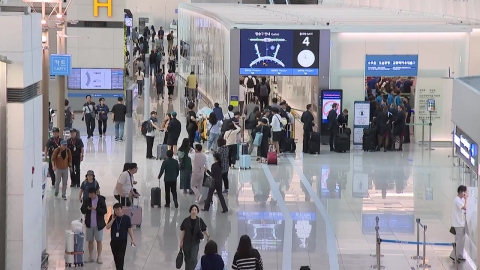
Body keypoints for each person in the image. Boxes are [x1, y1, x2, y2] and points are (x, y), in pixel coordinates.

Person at [80, 187, 107, 264]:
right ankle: (90, 256)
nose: (91, 196)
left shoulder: (101, 200)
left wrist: (96, 209)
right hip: (89, 224)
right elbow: (82, 210)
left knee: (99, 241)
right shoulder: (87, 200)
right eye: (89, 195)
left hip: (99, 224)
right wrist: (87, 209)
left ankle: (99, 257)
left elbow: (104, 211)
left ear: (96, 193)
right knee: (90, 241)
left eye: (92, 195)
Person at [106, 203, 136, 270]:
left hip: (122, 241)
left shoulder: (126, 218)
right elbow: (107, 227)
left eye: (118, 210)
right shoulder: (112, 217)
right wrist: (113, 219)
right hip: (114, 241)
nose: (117, 212)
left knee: (120, 258)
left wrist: (132, 239)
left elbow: (130, 229)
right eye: (115, 210)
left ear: (121, 209)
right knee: (116, 259)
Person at [180, 205, 210, 270]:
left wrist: (208, 236)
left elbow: (204, 229)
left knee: (193, 258)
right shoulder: (186, 220)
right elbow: (183, 232)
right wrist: (181, 241)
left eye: (195, 210)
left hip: (195, 243)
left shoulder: (199, 220)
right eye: (192, 210)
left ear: (197, 212)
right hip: (186, 243)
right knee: (187, 259)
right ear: (190, 211)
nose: (194, 211)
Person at [450, 185, 467, 263]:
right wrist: (466, 199)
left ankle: (459, 255)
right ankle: (454, 256)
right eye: (465, 192)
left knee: (460, 241)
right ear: (462, 192)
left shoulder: (460, 199)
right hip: (458, 224)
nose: (466, 194)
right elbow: (464, 207)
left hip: (460, 223)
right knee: (460, 241)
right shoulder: (457, 200)